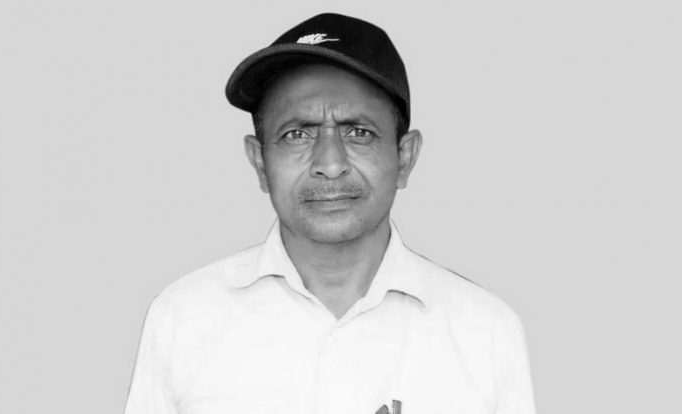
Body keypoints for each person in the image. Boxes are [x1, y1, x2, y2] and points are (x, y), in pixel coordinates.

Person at [124, 12, 536, 414]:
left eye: (358, 132)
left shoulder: (484, 332)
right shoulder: (183, 319)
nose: (330, 163)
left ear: (405, 157)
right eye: (297, 134)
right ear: (260, 163)